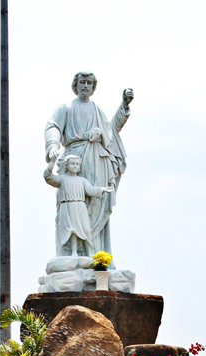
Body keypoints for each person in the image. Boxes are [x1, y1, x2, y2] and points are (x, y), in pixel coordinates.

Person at [44, 72, 133, 258]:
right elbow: (53, 126)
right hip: (74, 158)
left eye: (89, 83)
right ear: (76, 85)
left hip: (97, 161)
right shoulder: (66, 107)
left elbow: (112, 129)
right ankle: (71, 255)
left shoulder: (97, 109)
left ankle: (97, 257)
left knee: (96, 204)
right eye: (82, 82)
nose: (86, 86)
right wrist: (53, 145)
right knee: (72, 205)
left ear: (93, 87)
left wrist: (124, 105)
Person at [44, 154, 113, 257]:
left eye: (77, 164)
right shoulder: (62, 179)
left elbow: (91, 190)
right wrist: (52, 163)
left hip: (80, 206)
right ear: (66, 165)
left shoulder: (82, 180)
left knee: (86, 229)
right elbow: (48, 177)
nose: (75, 166)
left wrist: (102, 189)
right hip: (67, 207)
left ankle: (90, 252)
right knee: (72, 230)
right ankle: (74, 252)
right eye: (72, 164)